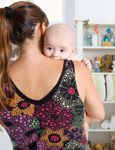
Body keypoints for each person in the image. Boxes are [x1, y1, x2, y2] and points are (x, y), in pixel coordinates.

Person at [0, 1, 105, 150]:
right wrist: (80, 121)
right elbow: (98, 114)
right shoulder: (76, 70)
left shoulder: (1, 76)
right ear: (42, 27)